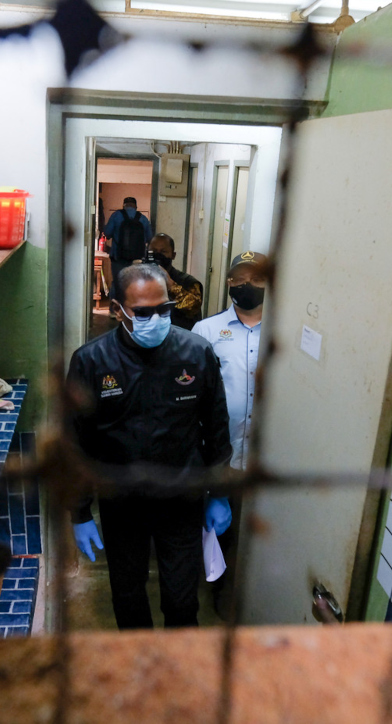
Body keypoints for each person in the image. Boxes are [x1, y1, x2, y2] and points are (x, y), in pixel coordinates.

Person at [66, 264, 233, 629]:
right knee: (128, 594)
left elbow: (217, 429)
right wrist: (79, 513)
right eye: (143, 312)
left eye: (164, 309)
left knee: (182, 600)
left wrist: (218, 493)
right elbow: (76, 443)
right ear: (117, 310)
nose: (156, 319)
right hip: (122, 502)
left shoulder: (196, 352)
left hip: (181, 498)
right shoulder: (91, 362)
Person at [191, 250, 268, 617]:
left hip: (264, 456)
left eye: (256, 278)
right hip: (220, 453)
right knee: (218, 529)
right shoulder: (206, 331)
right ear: (228, 283)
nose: (247, 285)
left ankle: (249, 597)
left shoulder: (283, 335)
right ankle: (218, 593)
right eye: (239, 278)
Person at [144, 233, 204, 331]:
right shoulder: (139, 280)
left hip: (178, 338)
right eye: (153, 251)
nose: (158, 255)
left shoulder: (188, 282)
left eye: (163, 252)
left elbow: (193, 307)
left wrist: (170, 285)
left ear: (173, 255)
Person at [103, 197, 153, 305]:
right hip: (137, 259)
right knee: (135, 283)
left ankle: (114, 310)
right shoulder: (143, 219)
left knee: (117, 283)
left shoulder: (116, 216)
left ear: (124, 205)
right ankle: (133, 309)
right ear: (135, 206)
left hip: (118, 258)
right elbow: (150, 238)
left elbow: (107, 233)